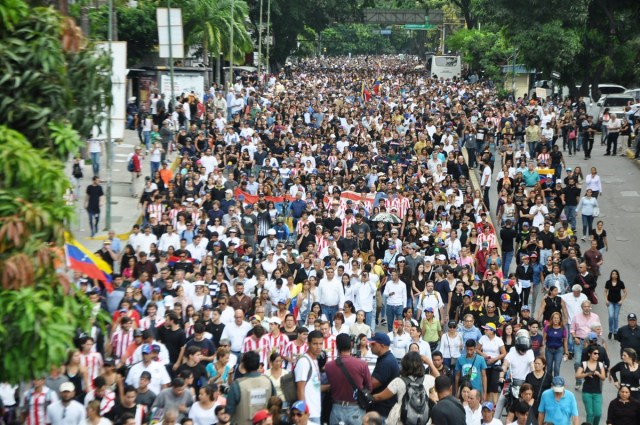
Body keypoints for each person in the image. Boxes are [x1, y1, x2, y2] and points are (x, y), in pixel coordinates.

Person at [371, 351, 433, 424]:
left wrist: (368, 397)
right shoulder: (428, 379)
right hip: (424, 420)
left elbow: (380, 397)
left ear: (404, 365)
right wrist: (430, 363)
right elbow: (441, 380)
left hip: (402, 419)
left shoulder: (398, 381)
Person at [324, 333, 372, 425]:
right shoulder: (362, 364)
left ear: (337, 346)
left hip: (336, 408)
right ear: (351, 345)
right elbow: (369, 387)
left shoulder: (329, 366)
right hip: (356, 409)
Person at [226, 351, 275, 424]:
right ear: (258, 364)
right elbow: (274, 403)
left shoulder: (237, 385)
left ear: (243, 365)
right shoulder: (268, 381)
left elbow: (229, 411)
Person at [294, 330, 325, 423]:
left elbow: (315, 387)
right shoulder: (304, 362)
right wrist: (303, 414)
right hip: (308, 414)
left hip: (316, 412)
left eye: (321, 343)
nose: (318, 347)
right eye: (315, 344)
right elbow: (300, 389)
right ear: (308, 343)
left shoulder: (314, 361)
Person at [369, 332, 400, 421]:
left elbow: (371, 385)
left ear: (382, 345)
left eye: (373, 344)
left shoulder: (386, 362)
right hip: (382, 408)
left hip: (382, 411)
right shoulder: (385, 358)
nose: (370, 346)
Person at [575, 344, 606, 425]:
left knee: (598, 414)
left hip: (597, 392)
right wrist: (586, 374)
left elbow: (603, 378)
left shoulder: (600, 364)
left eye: (598, 354)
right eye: (595, 353)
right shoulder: (584, 364)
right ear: (589, 354)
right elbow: (577, 375)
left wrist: (598, 374)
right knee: (590, 414)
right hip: (587, 392)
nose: (597, 355)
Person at [604, 270, 627, 339]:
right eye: (613, 274)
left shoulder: (620, 283)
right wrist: (606, 300)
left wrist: (622, 300)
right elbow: (605, 291)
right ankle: (611, 331)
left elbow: (625, 292)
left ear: (617, 275)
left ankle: (616, 332)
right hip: (610, 302)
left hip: (617, 303)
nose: (614, 275)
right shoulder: (608, 282)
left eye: (615, 274)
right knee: (611, 316)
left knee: (616, 317)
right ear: (611, 275)